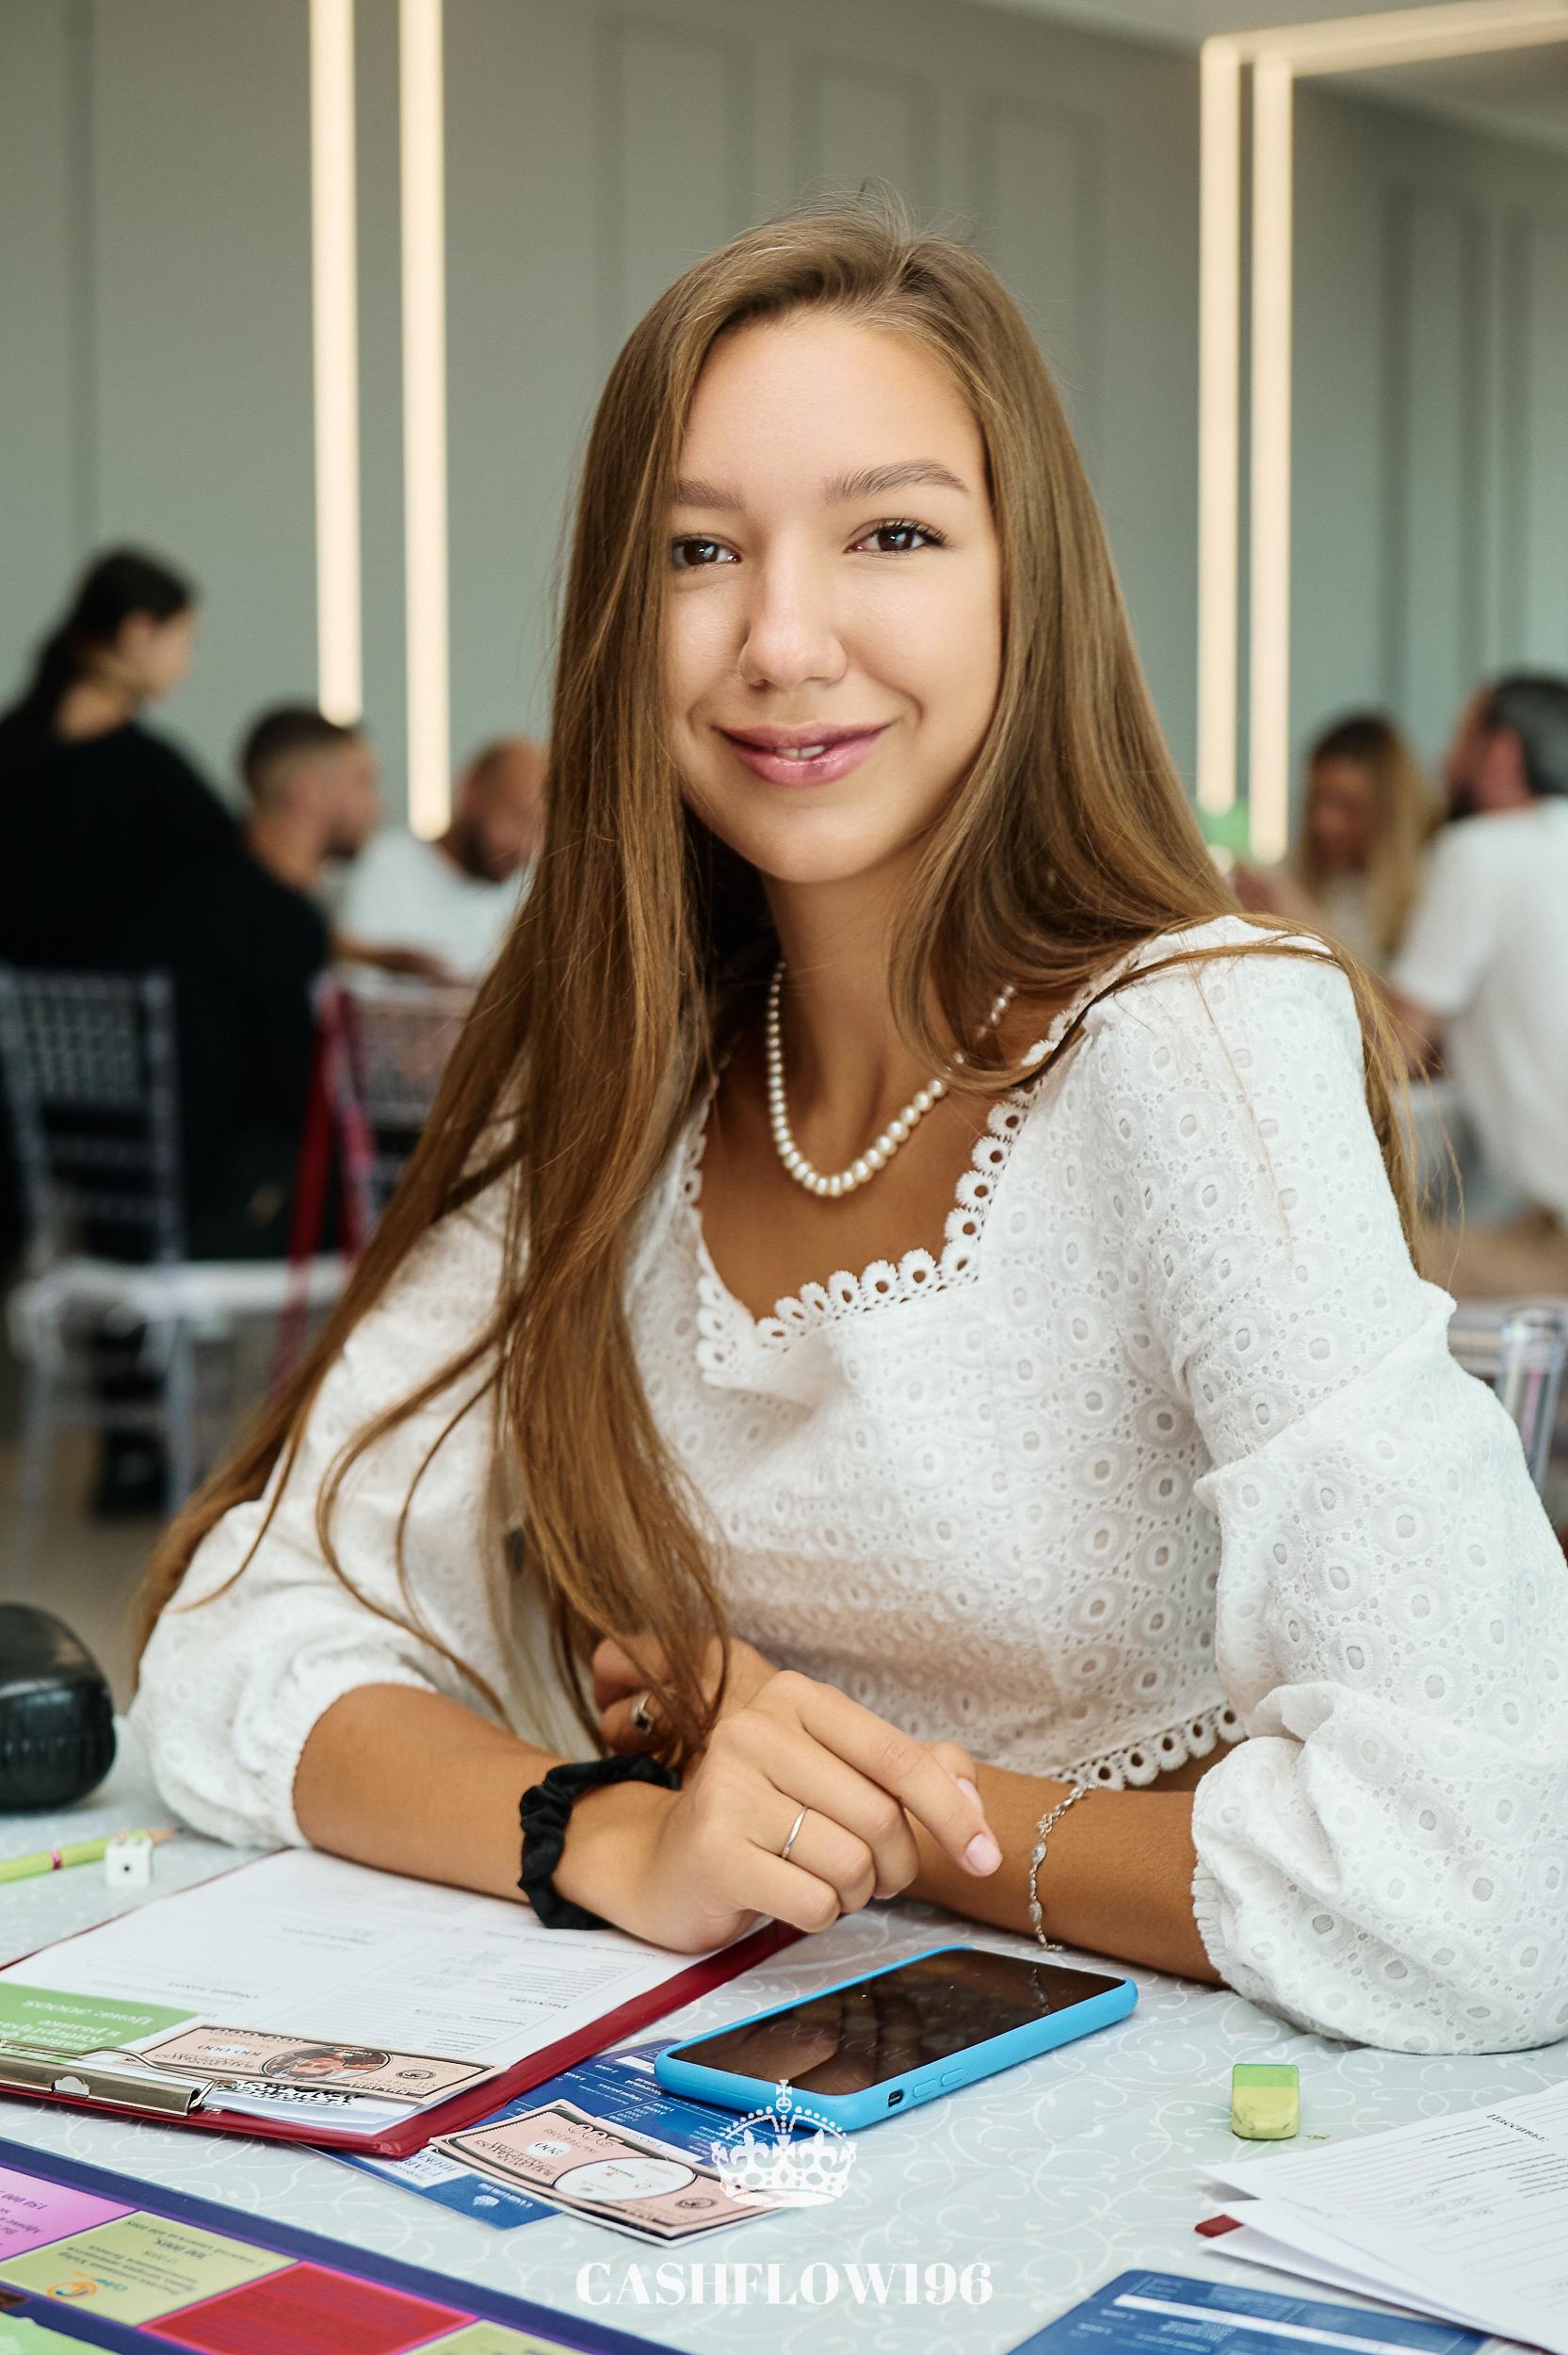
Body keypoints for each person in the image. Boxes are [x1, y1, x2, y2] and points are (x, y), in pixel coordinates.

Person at [133, 197, 1568, 2057]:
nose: (782, 638)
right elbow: (232, 1654)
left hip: (1195, 2107)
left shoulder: (1194, 1035)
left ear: (1023, 584)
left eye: (891, 533)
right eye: (698, 551)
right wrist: (616, 1830)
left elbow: (1485, 1884)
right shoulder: (628, 1079)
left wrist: (884, 1813)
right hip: (786, 2089)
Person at [128, 706, 382, 1260]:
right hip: (237, 1210)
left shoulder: (189, 898)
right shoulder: (279, 922)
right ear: (306, 792)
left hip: (134, 1209)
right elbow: (304, 1096)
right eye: (364, 781)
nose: (377, 805)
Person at [1389, 674, 1568, 1297]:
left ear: (1500, 753)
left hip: (1555, 1242)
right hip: (1536, 1220)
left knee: (1354, 1261)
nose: (1443, 760)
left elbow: (1397, 1046)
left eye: (1458, 739)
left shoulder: (1479, 852)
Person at [0, 547, 235, 970]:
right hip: (115, 1002)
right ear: (138, 632)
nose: (186, 664)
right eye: (186, 641)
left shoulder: (14, 744)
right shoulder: (150, 774)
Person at [1234, 713, 1434, 976]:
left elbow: (1394, 1002)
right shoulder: (1293, 876)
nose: (1325, 822)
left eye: (1349, 805)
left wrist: (1306, 925)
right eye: (1317, 800)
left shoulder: (1432, 880)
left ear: (1391, 809)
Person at [337, 737, 545, 980]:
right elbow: (349, 978)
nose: (526, 845)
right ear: (471, 792)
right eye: (519, 817)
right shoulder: (385, 863)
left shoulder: (529, 889)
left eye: (541, 828)